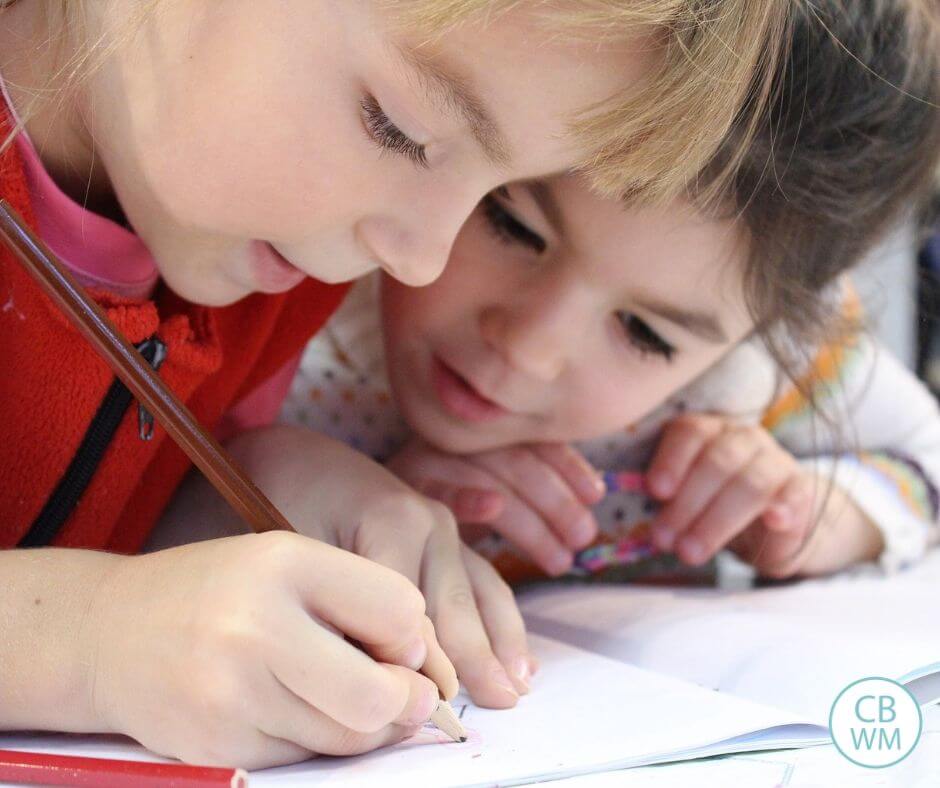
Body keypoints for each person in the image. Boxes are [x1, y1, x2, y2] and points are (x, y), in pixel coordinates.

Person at [0, 0, 791, 769]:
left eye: (491, 195)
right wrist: (92, 640)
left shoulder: (274, 270)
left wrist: (247, 492)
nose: (421, 260)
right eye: (400, 130)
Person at [281, 0, 940, 594]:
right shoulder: (299, 282)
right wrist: (341, 504)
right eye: (511, 226)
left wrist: (820, 514)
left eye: (645, 333)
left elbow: (927, 458)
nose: (529, 348)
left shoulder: (772, 367)